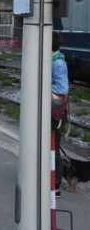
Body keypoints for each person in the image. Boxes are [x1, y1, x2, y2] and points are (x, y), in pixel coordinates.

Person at [51, 31, 69, 195]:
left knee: (53, 147)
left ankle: (55, 184)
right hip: (48, 110)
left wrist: (41, 86)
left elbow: (62, 88)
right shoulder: (52, 59)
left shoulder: (57, 63)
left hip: (54, 113)